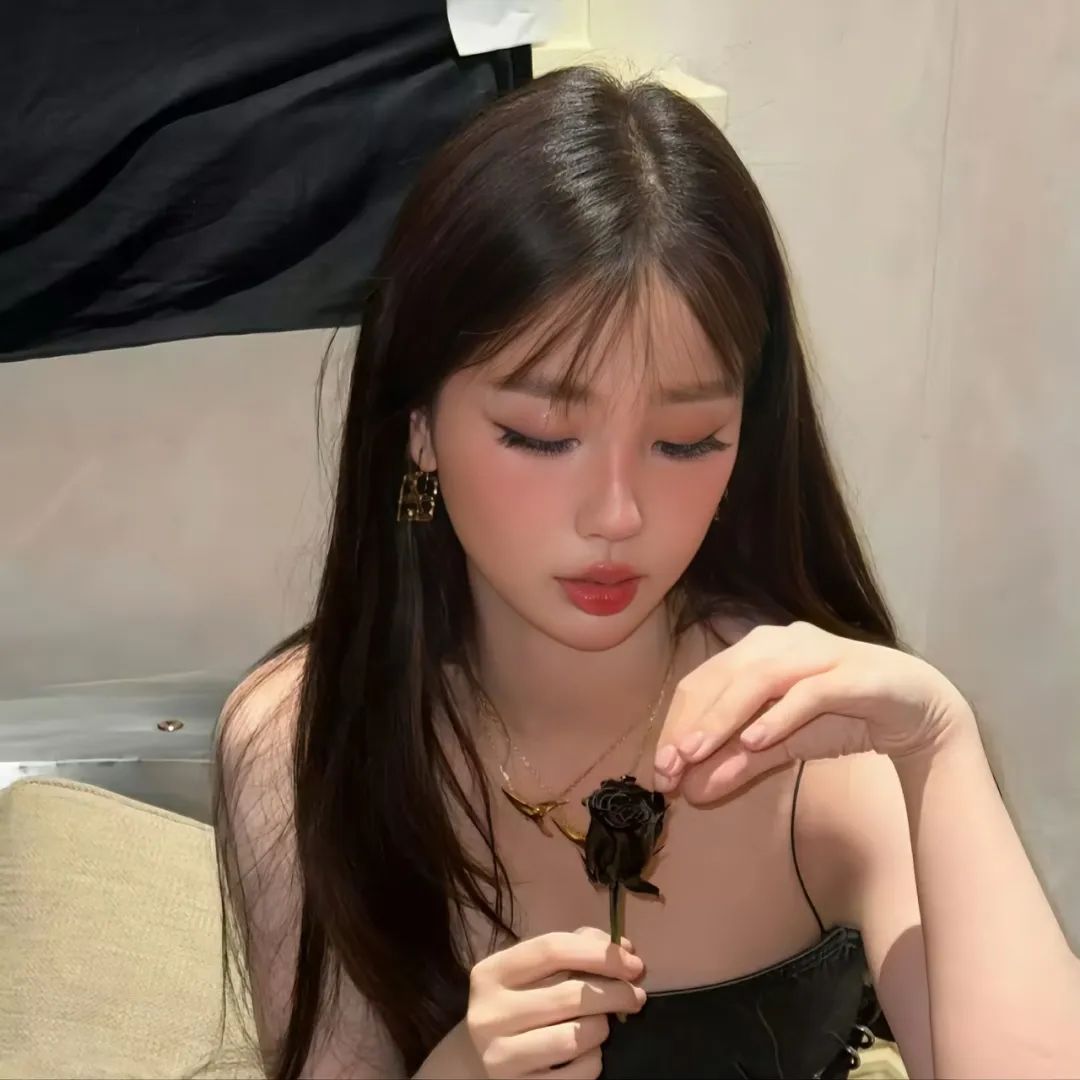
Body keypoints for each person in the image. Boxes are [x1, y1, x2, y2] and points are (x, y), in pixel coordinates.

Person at [210, 66, 1080, 1080]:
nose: (617, 515)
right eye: (540, 436)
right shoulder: (304, 736)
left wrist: (939, 742)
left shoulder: (816, 743)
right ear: (419, 428)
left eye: (685, 441)